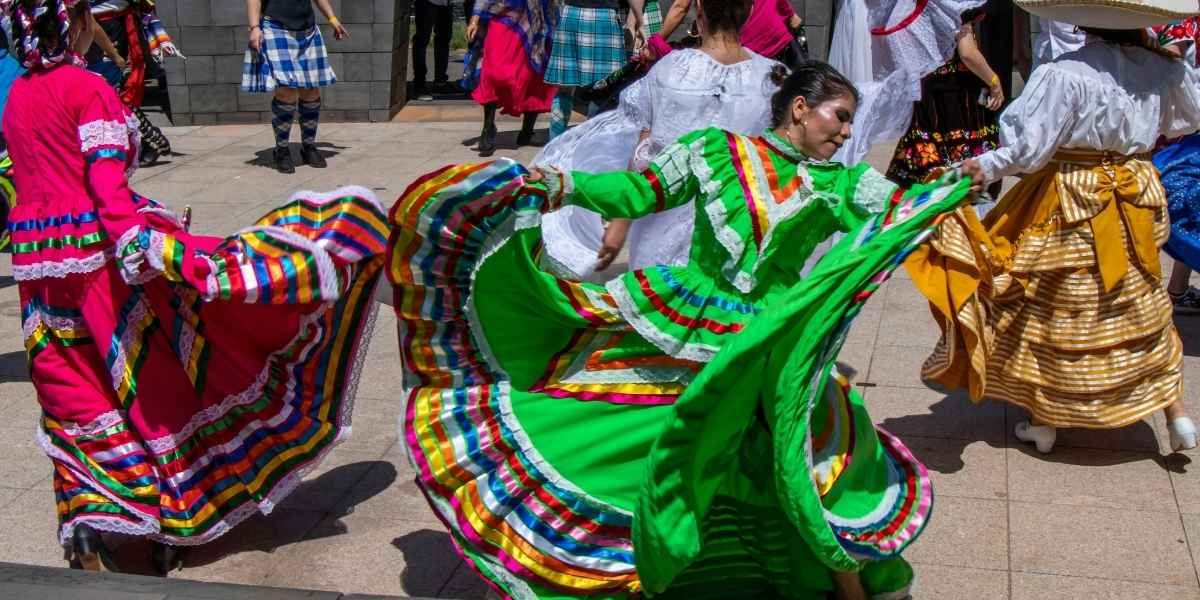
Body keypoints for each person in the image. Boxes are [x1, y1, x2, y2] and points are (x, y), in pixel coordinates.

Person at [390, 60, 985, 599]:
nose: (846, 132)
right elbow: (640, 192)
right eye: (841, 116)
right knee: (644, 429)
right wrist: (561, 184)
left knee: (803, 455)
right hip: (691, 318)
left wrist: (952, 190)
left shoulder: (838, 182)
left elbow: (898, 207)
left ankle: (844, 583)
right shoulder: (714, 150)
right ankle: (624, 566)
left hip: (772, 337)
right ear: (800, 108)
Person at [4, 0, 388, 574]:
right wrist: (153, 249)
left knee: (74, 395)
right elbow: (107, 190)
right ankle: (166, 517)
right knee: (156, 386)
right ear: (79, 24)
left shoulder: (18, 96)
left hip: (39, 273)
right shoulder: (86, 89)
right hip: (100, 266)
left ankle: (88, 522)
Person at [906, 13, 1200, 454]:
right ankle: (1176, 414)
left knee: (1057, 303)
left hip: (1073, 192)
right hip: (1135, 191)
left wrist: (978, 168)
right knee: (1140, 299)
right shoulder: (1165, 68)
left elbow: (1028, 151)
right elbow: (1186, 122)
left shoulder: (1064, 73)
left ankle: (1046, 421)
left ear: (1082, 22)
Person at [534, 0, 777, 278]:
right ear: (751, 10)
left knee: (659, 307)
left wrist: (620, 222)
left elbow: (642, 156)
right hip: (739, 228)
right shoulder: (773, 79)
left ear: (699, 7)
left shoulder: (670, 70)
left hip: (663, 226)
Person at [886, 7, 1004, 196]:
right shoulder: (956, 4)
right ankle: (958, 210)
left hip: (926, 88)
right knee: (964, 168)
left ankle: (921, 204)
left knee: (927, 156)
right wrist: (994, 81)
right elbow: (967, 52)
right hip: (956, 94)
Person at [242, 0, 348, 174]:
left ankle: (309, 147)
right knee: (286, 91)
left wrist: (332, 18)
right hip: (276, 28)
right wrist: (254, 27)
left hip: (307, 31)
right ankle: (282, 150)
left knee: (311, 90)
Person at [85, 0, 181, 167]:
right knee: (95, 89)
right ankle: (146, 139)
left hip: (110, 23)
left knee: (113, 89)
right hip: (81, 22)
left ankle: (150, 138)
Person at [1150, 17, 1200, 312]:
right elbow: (1173, 56)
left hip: (1175, 121)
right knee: (1170, 206)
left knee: (1185, 206)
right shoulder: (1180, 17)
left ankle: (1175, 289)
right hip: (1175, 124)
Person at [463, 0, 557, 155]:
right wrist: (475, 18)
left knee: (533, 75)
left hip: (536, 18)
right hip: (503, 14)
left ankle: (526, 132)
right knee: (494, 72)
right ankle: (488, 127)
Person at [543, 0, 642, 138]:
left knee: (565, 88)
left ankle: (553, 145)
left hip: (571, 14)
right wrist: (639, 20)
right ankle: (590, 145)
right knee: (603, 88)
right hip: (603, 18)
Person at [657, 0, 804, 66]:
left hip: (751, 45)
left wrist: (656, 41)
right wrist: (789, 14)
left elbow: (680, 7)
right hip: (778, 37)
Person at [411, 0, 453, 101]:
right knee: (422, 39)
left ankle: (440, 82)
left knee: (444, 38)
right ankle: (419, 84)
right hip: (427, 2)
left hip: (446, 3)